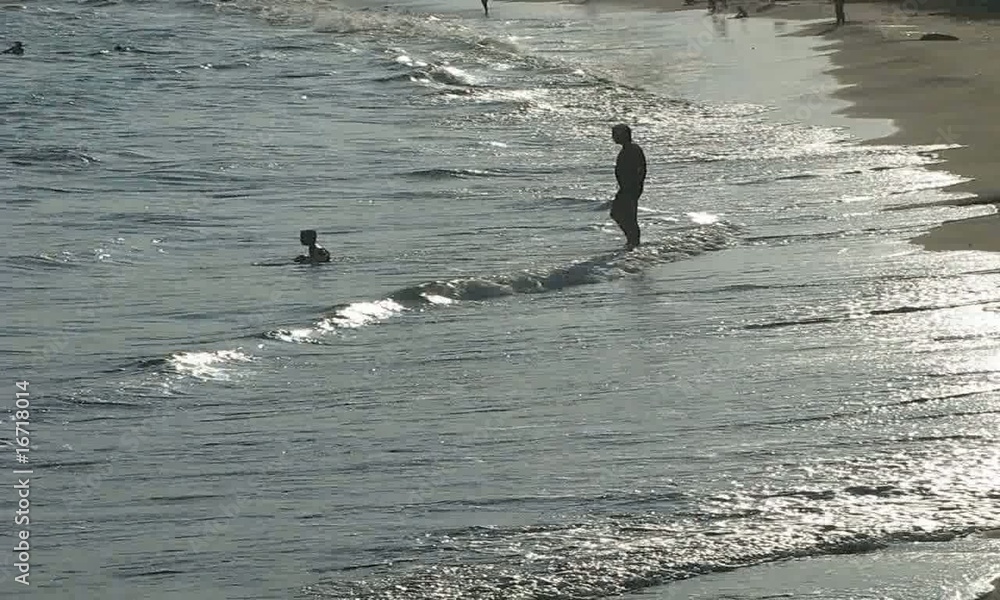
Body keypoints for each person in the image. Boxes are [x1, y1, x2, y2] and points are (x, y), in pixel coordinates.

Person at [610, 123, 645, 251]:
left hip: (630, 188)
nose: (613, 137)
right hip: (626, 188)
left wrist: (635, 186)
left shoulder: (633, 149)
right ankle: (632, 240)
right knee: (620, 213)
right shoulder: (627, 149)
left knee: (623, 214)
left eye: (615, 134)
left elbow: (641, 169)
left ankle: (633, 241)